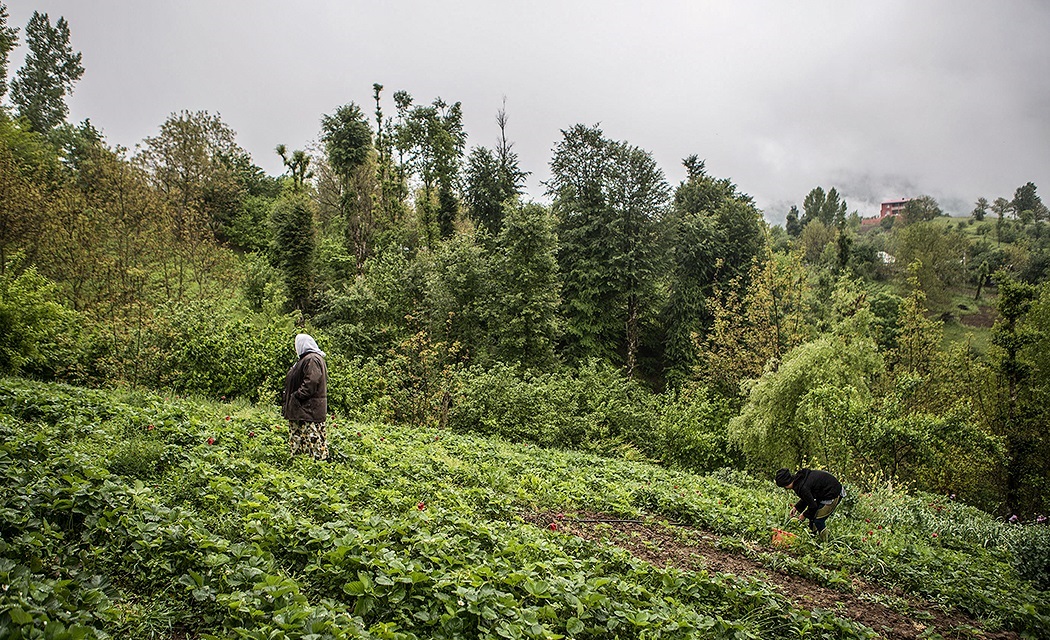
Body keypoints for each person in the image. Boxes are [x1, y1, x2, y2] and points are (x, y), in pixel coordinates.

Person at [282, 333, 329, 461]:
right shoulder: (308, 359)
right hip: (304, 409)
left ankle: (318, 468)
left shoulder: (311, 359)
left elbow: (311, 382)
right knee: (303, 438)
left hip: (308, 409)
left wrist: (297, 396)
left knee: (313, 439)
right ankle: (302, 465)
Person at [775, 467, 844, 541]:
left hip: (833, 493)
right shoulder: (799, 480)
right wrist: (796, 508)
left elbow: (812, 506)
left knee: (818, 520)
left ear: (785, 485)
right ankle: (813, 540)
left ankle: (825, 544)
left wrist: (804, 515)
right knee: (812, 518)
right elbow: (807, 498)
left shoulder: (802, 486)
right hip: (824, 494)